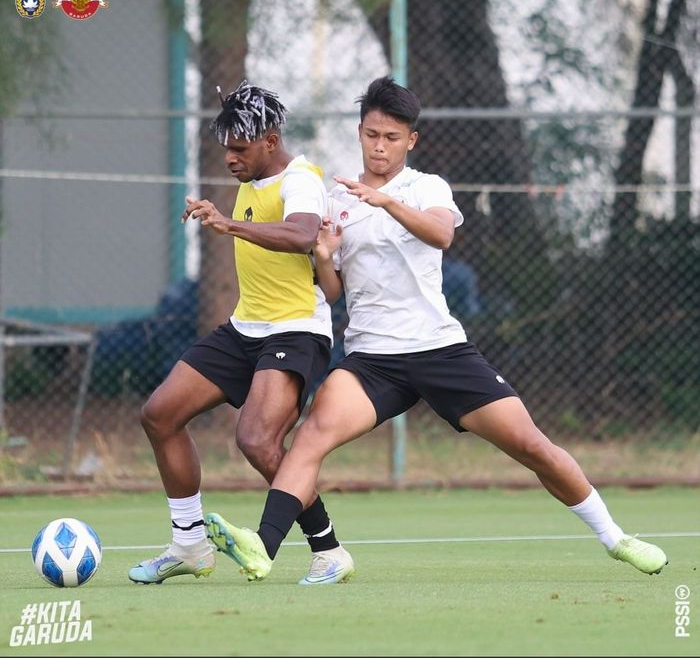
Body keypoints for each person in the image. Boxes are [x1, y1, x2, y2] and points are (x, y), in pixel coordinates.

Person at [203, 76, 668, 582]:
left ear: (411, 141)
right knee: (311, 436)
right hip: (372, 360)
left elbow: (442, 233)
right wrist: (324, 257)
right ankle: (263, 548)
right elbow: (333, 294)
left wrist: (387, 203)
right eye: (372, 135)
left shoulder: (425, 187)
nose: (380, 146)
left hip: (440, 350)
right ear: (360, 132)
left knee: (531, 445)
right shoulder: (336, 201)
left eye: (392, 138)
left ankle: (615, 537)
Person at [128, 80, 354, 586]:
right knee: (160, 415)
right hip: (244, 327)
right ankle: (189, 544)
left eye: (240, 148)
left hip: (296, 331)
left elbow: (300, 234)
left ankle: (329, 552)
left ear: (270, 140)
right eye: (225, 147)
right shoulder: (250, 179)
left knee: (256, 439)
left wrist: (227, 224)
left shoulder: (301, 179)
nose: (230, 158)